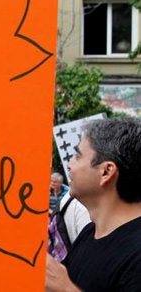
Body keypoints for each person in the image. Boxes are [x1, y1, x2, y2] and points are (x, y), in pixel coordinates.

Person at [46, 118, 141, 291]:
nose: (69, 164)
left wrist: (66, 289)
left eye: (78, 156)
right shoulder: (90, 232)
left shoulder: (136, 254)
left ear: (106, 171)